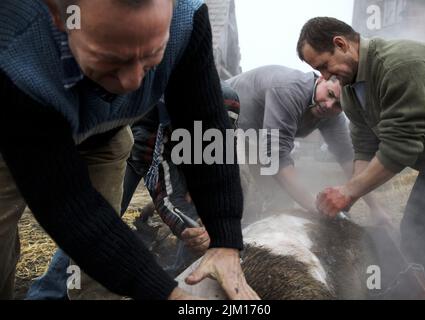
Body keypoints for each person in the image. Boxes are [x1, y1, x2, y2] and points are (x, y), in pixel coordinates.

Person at [0, 0, 259, 300]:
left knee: (95, 273)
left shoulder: (186, 19)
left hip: (106, 136)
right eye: (111, 60)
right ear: (60, 16)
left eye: (151, 59)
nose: (133, 82)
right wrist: (168, 295)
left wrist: (225, 241)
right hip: (15, 135)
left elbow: (205, 134)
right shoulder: (13, 45)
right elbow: (68, 205)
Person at [298, 17, 425, 298]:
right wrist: (352, 197)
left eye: (323, 66)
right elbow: (366, 146)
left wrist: (347, 191)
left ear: (341, 44)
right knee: (417, 235)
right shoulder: (351, 91)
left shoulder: (400, 65)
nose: (323, 77)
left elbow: (401, 147)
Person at [226, 65, 389, 224]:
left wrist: (376, 208)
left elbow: (347, 158)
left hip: (253, 134)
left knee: (280, 199)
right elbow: (276, 156)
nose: (329, 105)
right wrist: (317, 208)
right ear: (322, 78)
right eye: (330, 94)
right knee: (235, 188)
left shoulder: (332, 116)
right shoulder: (288, 90)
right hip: (219, 119)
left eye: (339, 105)